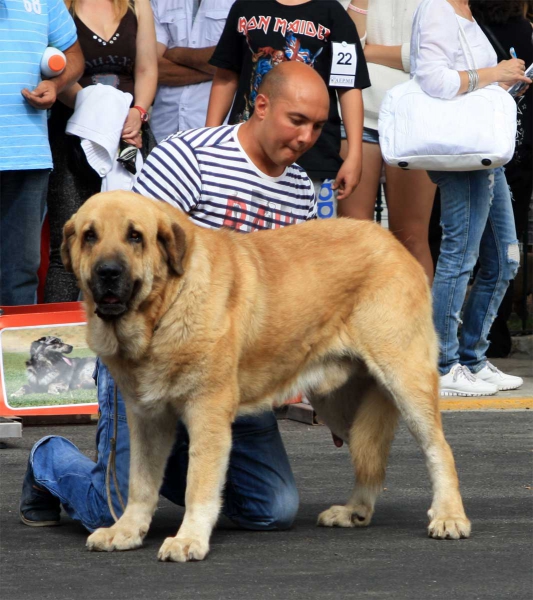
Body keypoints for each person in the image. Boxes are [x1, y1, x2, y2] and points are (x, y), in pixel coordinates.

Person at [20, 62, 330, 532]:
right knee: (110, 512)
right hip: (142, 351)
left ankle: (179, 469)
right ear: (262, 106)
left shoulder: (300, 191)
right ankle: (51, 461)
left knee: (274, 509)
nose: (307, 137)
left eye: (318, 126)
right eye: (297, 121)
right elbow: (126, 245)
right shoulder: (191, 156)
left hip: (221, 368)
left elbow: (295, 299)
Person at [414, 0, 530, 396]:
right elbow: (432, 80)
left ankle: (472, 358)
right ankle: (444, 364)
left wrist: (502, 83)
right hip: (461, 151)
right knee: (459, 256)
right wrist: (494, 72)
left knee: (504, 259)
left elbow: (467, 82)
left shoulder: (466, 11)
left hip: (483, 147)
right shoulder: (436, 9)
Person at [205, 0, 370, 215]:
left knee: (305, 243)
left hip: (311, 157)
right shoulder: (246, 6)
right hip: (245, 152)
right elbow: (226, 76)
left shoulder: (332, 13)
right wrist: (209, 138)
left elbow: (349, 87)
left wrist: (355, 155)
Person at [43, 0, 158, 303]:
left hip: (131, 134)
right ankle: (57, 338)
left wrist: (139, 111)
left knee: (145, 240)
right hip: (73, 134)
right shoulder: (57, 6)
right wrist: (100, 113)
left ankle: (141, 338)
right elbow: (59, 74)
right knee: (67, 247)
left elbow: (147, 68)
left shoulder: (137, 4)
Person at [338, 0, 437, 283]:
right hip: (358, 114)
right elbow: (346, 46)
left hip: (415, 117)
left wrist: (366, 51)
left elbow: (430, 55)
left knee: (412, 238)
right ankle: (357, 326)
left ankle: (416, 326)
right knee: (353, 237)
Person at [0, 0, 84, 307]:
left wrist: (56, 83)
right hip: (28, 156)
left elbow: (74, 55)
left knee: (20, 274)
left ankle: (11, 356)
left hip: (28, 155)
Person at [469, 0, 533, 357]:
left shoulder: (468, 27)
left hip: (474, 148)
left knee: (462, 244)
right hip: (517, 150)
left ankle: (459, 337)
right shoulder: (526, 32)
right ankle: (495, 332)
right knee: (508, 246)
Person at [150, 0, 235, 143]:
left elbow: (238, 55)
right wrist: (224, 70)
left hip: (218, 133)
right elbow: (151, 67)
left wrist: (176, 54)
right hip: (163, 132)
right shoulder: (159, 2)